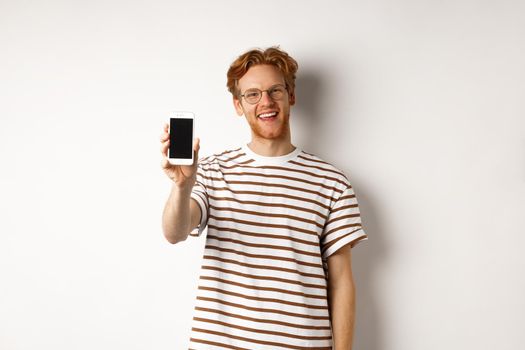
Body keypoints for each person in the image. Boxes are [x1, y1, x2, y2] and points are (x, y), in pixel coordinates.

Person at [160, 46, 368, 350]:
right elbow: (174, 233)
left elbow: (342, 283)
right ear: (238, 105)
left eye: (275, 91)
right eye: (252, 94)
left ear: (291, 95)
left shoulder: (332, 182)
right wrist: (182, 186)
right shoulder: (212, 171)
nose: (266, 102)